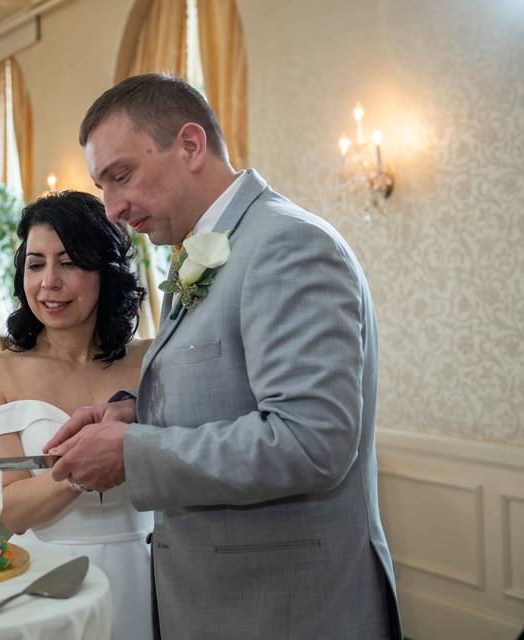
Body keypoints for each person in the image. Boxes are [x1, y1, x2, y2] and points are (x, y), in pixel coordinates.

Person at [45, 73, 402, 640]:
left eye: (121, 176)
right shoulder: (207, 250)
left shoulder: (287, 245)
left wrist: (133, 455)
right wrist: (141, 413)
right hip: (220, 597)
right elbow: (236, 389)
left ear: (190, 145)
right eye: (102, 185)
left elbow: (312, 441)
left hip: (285, 607)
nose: (110, 208)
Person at [0, 190, 154, 640]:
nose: (49, 281)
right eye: (36, 264)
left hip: (148, 572)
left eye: (68, 262)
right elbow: (10, 511)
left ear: (105, 272)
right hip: (45, 580)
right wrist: (82, 467)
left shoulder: (152, 361)